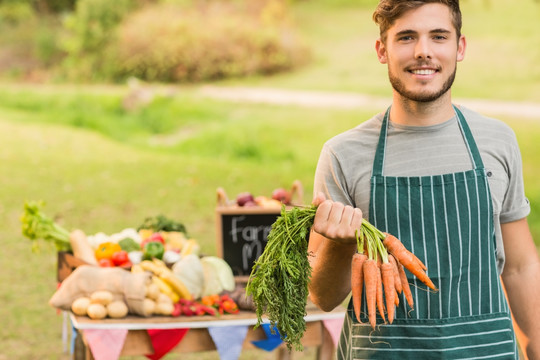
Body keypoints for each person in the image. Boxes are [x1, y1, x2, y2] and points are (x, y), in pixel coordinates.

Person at [307, 0, 540, 358]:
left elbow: (521, 266)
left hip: (484, 350)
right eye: (406, 37)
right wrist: (340, 244)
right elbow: (321, 297)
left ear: (459, 48)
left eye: (439, 36)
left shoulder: (497, 141)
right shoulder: (343, 154)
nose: (423, 51)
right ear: (382, 50)